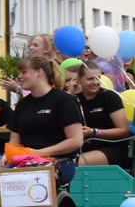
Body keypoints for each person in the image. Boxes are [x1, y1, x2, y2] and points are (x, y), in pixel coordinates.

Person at [5, 55, 86, 188]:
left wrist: (40, 152)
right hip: (26, 160)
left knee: (11, 181)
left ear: (39, 72)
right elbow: (14, 142)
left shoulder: (63, 100)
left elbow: (76, 141)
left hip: (60, 161)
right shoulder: (22, 105)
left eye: (24, 72)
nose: (19, 76)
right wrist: (7, 155)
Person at [68, 63, 130, 167]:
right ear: (79, 80)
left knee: (71, 163)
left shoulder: (109, 96)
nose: (95, 82)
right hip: (84, 148)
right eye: (90, 79)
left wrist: (94, 132)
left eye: (98, 78)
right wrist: (70, 92)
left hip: (113, 147)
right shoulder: (74, 99)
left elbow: (124, 131)